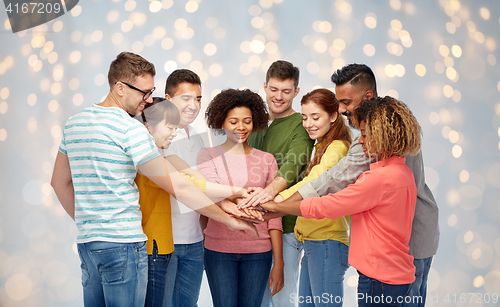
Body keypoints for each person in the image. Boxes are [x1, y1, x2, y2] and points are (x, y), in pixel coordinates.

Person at [50, 52, 256, 307]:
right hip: (125, 244)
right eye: (144, 93)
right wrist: (227, 219)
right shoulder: (130, 128)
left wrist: (92, 224)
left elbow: (59, 182)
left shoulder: (74, 123)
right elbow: (178, 184)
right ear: (120, 88)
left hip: (89, 244)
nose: (148, 100)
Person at [283, 64, 439, 307]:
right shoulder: (391, 126)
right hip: (402, 245)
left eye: (346, 102)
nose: (342, 109)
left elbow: (334, 182)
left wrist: (279, 205)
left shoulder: (380, 136)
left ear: (367, 97)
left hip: (408, 244)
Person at [262, 96, 422, 307]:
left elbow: (327, 204)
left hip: (379, 279)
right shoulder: (403, 173)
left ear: (384, 135)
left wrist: (277, 207)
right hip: (396, 274)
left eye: (365, 135)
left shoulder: (378, 180)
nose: (361, 141)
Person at [136, 97, 261, 306]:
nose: (174, 133)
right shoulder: (148, 162)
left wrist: (232, 203)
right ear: (147, 126)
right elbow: (190, 188)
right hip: (152, 249)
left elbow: (200, 182)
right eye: (169, 127)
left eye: (175, 128)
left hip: (165, 247)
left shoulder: (168, 157)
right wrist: (237, 192)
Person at [197, 89, 284, 307]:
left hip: (258, 252)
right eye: (233, 121)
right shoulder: (207, 154)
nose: (241, 127)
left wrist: (279, 262)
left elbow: (274, 216)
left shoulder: (266, 160)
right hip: (218, 252)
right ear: (222, 122)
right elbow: (211, 191)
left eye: (247, 121)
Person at [246, 60, 315, 307]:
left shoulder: (301, 125)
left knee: (281, 300)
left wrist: (266, 194)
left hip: (285, 227)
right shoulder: (253, 121)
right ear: (265, 87)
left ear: (296, 92)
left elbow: (291, 168)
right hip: (249, 226)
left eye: (286, 91)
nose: (279, 96)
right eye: (274, 89)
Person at [276, 89, 352, 306]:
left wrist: (278, 200)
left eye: (315, 117)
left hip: (326, 243)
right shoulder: (322, 146)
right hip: (314, 243)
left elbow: (315, 183)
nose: (308, 123)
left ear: (334, 115)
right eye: (304, 117)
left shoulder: (337, 148)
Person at [161, 69, 206, 307]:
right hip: (166, 243)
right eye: (186, 98)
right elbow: (189, 186)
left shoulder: (198, 137)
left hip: (195, 242)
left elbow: (205, 185)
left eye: (198, 98)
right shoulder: (157, 136)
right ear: (168, 100)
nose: (194, 105)